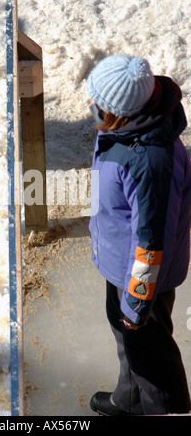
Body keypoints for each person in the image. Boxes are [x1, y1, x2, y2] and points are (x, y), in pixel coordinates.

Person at [87, 54, 191, 416]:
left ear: (122, 111)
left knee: (155, 365)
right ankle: (128, 402)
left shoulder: (148, 161)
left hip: (143, 280)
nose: (94, 108)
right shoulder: (130, 132)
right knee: (128, 343)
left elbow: (150, 242)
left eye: (100, 104)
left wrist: (137, 301)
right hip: (120, 263)